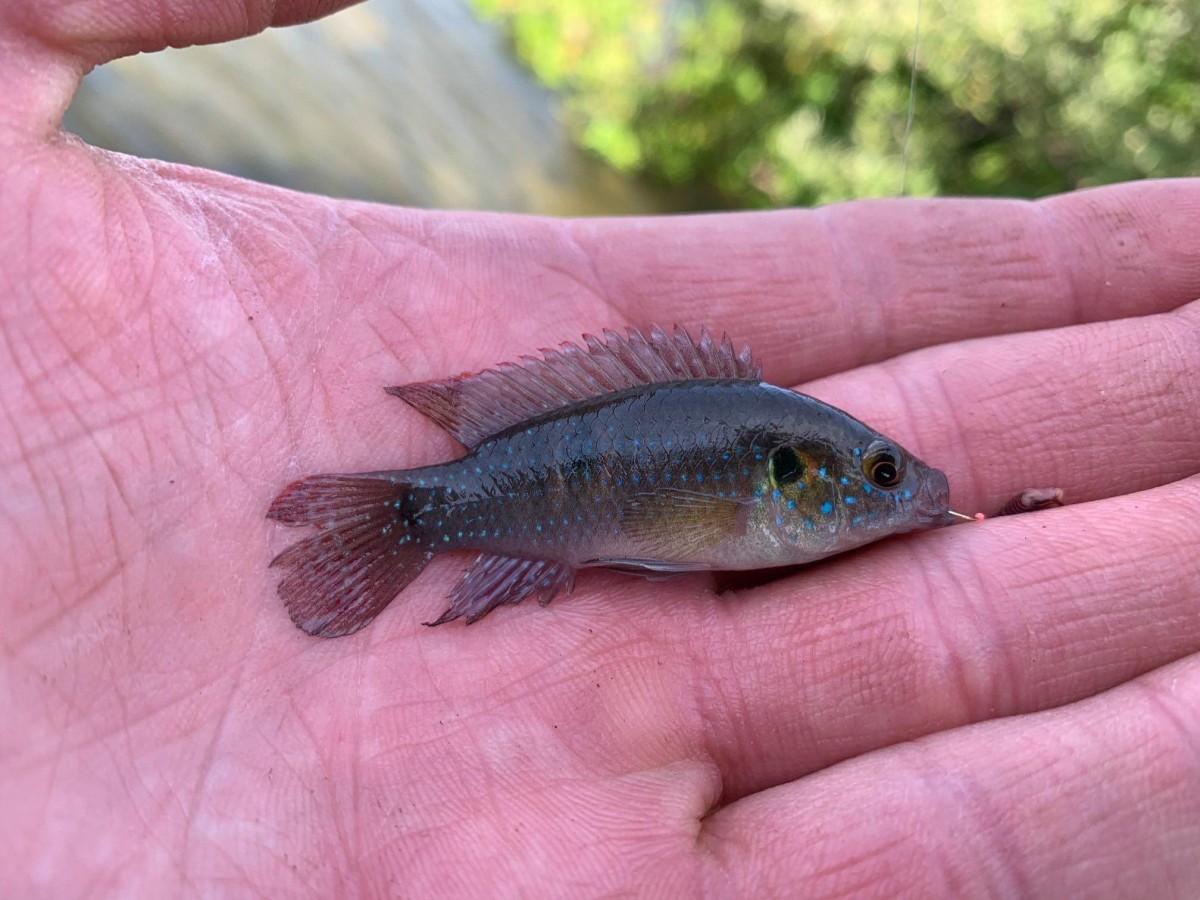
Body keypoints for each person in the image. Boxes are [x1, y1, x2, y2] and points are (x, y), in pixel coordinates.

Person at [2, 2, 1198, 896]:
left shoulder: (779, 470)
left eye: (885, 472)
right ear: (798, 479)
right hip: (481, 488)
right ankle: (411, 516)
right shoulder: (767, 481)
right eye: (879, 474)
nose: (901, 486)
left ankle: (422, 516)